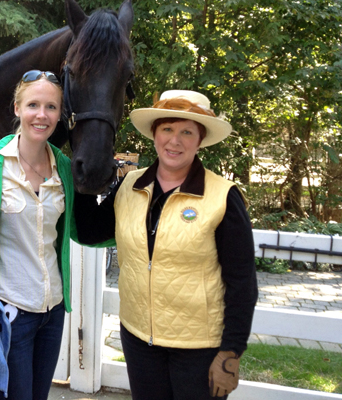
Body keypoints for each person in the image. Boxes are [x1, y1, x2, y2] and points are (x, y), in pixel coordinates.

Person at [74, 90, 258, 399]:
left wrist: (231, 352)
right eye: (168, 129)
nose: (175, 140)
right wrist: (82, 174)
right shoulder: (130, 187)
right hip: (138, 340)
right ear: (155, 134)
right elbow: (91, 231)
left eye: (187, 131)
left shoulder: (222, 197)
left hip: (199, 348)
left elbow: (242, 283)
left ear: (200, 140)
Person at [0, 69, 91, 400]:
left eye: (51, 107)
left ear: (60, 114)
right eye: (33, 105)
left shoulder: (64, 170)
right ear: (17, 109)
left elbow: (76, 229)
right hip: (8, 311)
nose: (41, 115)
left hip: (53, 311)